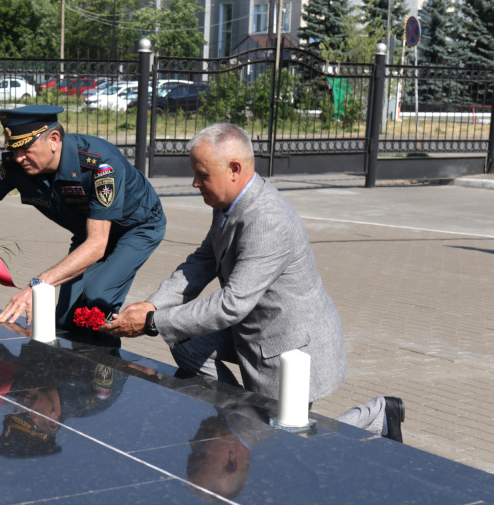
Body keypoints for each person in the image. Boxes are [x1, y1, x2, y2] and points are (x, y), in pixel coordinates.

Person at [103, 123, 404, 442]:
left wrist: (151, 322)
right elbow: (201, 262)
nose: (194, 183)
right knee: (184, 339)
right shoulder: (228, 204)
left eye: (202, 175)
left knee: (289, 441)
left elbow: (231, 304)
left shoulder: (266, 220)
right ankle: (242, 416)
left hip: (289, 345)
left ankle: (377, 416)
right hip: (252, 328)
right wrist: (153, 306)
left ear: (234, 169)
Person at [0, 105, 166, 339]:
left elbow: (97, 245)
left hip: (135, 228)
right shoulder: (18, 166)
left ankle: (105, 371)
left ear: (54, 139)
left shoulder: (101, 164)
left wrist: (36, 285)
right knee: (65, 318)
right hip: (89, 231)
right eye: (13, 149)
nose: (19, 157)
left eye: (25, 148)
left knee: (96, 299)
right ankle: (71, 371)